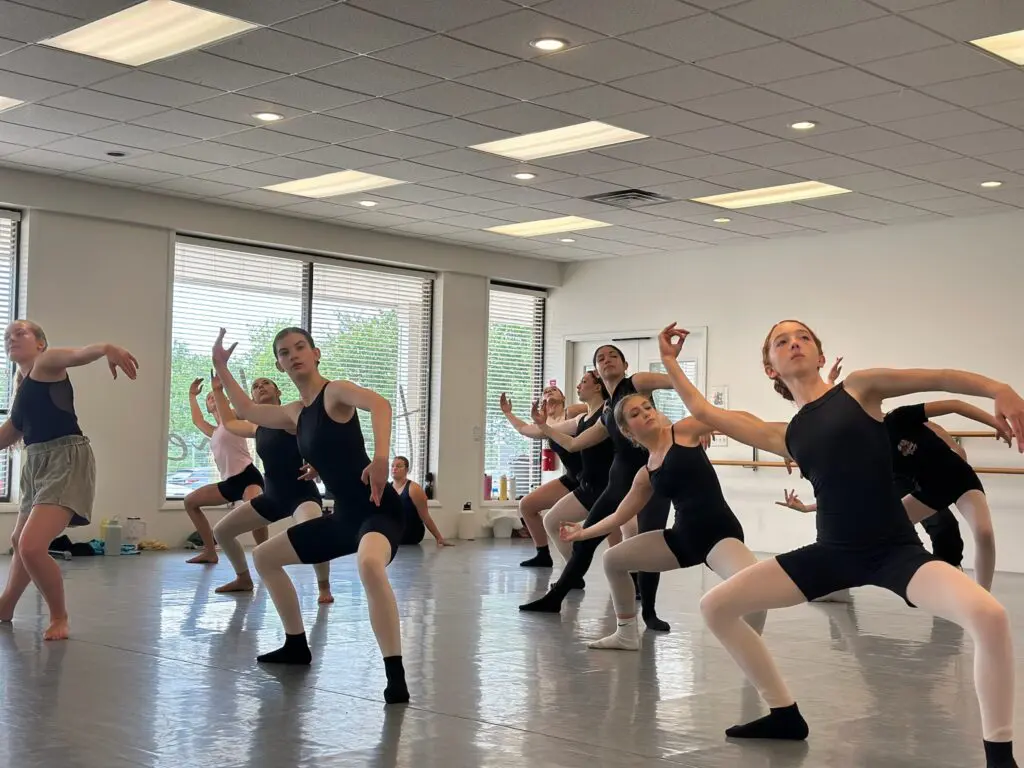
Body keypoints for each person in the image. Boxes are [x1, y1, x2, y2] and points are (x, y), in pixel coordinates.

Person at [658, 320, 1021, 768]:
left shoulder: (860, 389)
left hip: (896, 552)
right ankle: (784, 715)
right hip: (832, 553)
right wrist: (671, 362)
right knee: (716, 607)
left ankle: (1001, 758)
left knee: (989, 616)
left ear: (820, 355)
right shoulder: (785, 435)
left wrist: (999, 388)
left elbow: (940, 377)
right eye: (781, 341)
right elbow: (706, 412)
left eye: (804, 337)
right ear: (770, 367)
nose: (794, 344)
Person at [212, 327, 409, 704]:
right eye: (285, 352)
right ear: (280, 364)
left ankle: (395, 676)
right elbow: (248, 412)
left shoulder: (335, 393)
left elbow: (380, 404)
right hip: (344, 517)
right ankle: (295, 644)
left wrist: (382, 457)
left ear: (315, 354)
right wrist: (221, 366)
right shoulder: (294, 414)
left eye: (301, 347)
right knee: (264, 556)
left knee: (369, 564)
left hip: (377, 508)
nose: (294, 354)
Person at [561, 392, 764, 650]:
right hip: (682, 539)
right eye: (635, 413)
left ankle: (752, 653)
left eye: (648, 408)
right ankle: (625, 634)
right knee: (612, 559)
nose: (645, 413)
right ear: (626, 430)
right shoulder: (646, 473)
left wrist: (782, 446)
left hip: (719, 535)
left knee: (754, 591)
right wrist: (581, 532)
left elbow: (737, 419)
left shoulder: (685, 431)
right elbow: (619, 516)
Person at [520, 344, 675, 632]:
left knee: (649, 542)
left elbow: (674, 380)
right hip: (618, 481)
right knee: (586, 541)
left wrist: (698, 425)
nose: (607, 361)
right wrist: (545, 427)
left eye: (613, 356)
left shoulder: (637, 383)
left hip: (654, 478)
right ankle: (555, 598)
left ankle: (650, 613)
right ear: (597, 370)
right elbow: (575, 443)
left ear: (625, 364)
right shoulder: (607, 413)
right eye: (601, 358)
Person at [0, 320, 137, 640]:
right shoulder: (23, 383)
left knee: (32, 546)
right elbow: (12, 432)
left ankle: (59, 617)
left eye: (21, 333)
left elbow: (78, 354)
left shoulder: (46, 362)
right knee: (18, 542)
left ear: (40, 344)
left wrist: (107, 348)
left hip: (65, 457)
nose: (12, 338)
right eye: (8, 335)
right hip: (35, 463)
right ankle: (6, 606)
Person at [208, 374, 332, 602]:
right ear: (253, 397)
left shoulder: (290, 417)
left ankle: (324, 586)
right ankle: (244, 579)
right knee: (221, 532)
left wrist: (317, 463)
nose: (260, 387)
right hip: (273, 497)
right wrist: (218, 390)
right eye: (255, 386)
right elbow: (230, 423)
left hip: (302, 495)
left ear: (278, 392)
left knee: (315, 532)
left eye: (266, 383)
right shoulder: (258, 426)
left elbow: (318, 437)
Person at [499, 380, 599, 567]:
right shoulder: (544, 423)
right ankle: (542, 555)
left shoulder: (572, 413)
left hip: (594, 478)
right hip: (572, 478)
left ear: (563, 398)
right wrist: (508, 412)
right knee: (527, 505)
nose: (550, 391)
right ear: (542, 399)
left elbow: (593, 406)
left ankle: (629, 571)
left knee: (609, 524)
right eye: (546, 391)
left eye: (554, 390)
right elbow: (523, 429)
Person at [183, 377, 266, 564]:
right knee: (190, 502)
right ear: (208, 407)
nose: (212, 398)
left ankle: (264, 552)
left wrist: (221, 388)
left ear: (224, 401)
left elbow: (247, 408)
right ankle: (210, 552)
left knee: (256, 510)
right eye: (209, 398)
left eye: (215, 396)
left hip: (248, 476)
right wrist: (192, 396)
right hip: (230, 482)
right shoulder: (214, 431)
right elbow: (197, 421)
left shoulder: (235, 418)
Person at [390, 455, 449, 547]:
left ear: (406, 470)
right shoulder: (387, 488)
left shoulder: (414, 489)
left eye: (399, 466)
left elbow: (425, 516)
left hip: (411, 535)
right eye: (392, 466)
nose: (394, 468)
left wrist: (439, 538)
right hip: (393, 534)